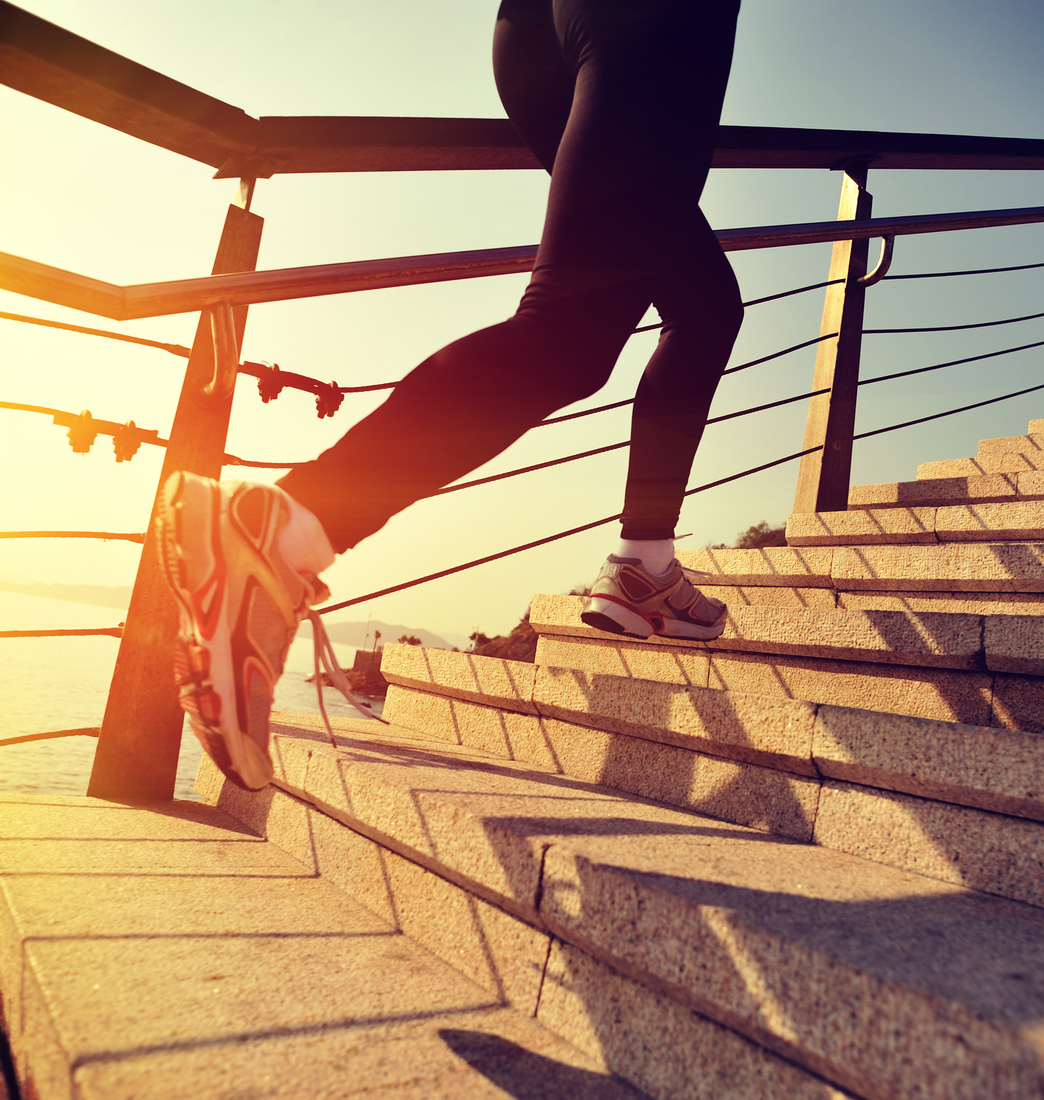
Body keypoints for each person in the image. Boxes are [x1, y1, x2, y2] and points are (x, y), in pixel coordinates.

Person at [155, 0, 744, 790]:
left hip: (536, 32)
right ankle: (287, 526)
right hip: (653, 21)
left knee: (706, 307)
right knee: (570, 334)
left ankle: (644, 562)